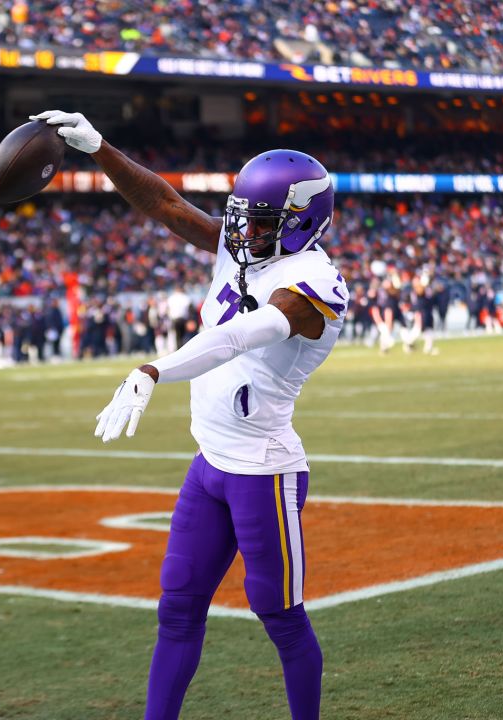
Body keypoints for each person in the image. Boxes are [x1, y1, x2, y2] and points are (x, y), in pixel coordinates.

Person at [31, 109, 347, 720]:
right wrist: (99, 148)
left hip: (263, 470)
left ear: (302, 222)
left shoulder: (316, 281)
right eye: (243, 218)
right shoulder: (245, 248)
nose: (242, 232)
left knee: (280, 616)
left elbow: (243, 335)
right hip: (209, 466)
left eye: (260, 223)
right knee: (177, 609)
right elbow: (167, 205)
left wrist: (155, 369)